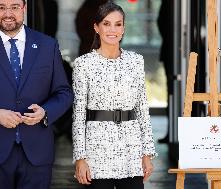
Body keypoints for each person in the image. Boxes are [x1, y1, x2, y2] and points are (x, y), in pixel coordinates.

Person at [72, 2, 157, 189]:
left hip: (131, 148)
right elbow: (78, 114)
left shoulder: (135, 61)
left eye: (118, 24)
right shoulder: (83, 64)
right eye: (106, 23)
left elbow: (142, 108)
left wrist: (147, 154)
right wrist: (80, 158)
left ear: (124, 28)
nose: (112, 30)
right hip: (97, 150)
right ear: (96, 27)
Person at [0, 0, 74, 188]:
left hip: (37, 155)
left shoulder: (47, 46)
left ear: (24, 8)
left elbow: (64, 92)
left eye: (14, 6)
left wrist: (46, 112)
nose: (8, 13)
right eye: (1, 7)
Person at [157, 0, 173, 143]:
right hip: (172, 51)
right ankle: (174, 132)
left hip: (171, 50)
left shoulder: (169, 4)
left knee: (172, 92)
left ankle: (173, 132)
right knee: (173, 92)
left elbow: (161, 22)